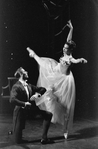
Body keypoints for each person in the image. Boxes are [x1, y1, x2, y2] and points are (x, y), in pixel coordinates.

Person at [26, 20, 87, 139]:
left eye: (66, 49)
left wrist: (81, 60)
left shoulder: (70, 58)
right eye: (64, 48)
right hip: (56, 73)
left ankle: (65, 129)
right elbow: (68, 40)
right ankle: (34, 55)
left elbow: (75, 60)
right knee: (45, 66)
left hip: (65, 80)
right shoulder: (66, 50)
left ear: (70, 50)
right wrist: (71, 29)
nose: (64, 49)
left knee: (66, 106)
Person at [10, 67, 53, 144]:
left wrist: (37, 94)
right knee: (17, 141)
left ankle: (44, 138)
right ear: (21, 74)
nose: (27, 72)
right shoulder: (16, 86)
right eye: (24, 71)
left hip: (30, 110)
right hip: (20, 112)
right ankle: (15, 134)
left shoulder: (29, 85)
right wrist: (24, 103)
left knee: (48, 115)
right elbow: (12, 99)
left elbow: (43, 89)